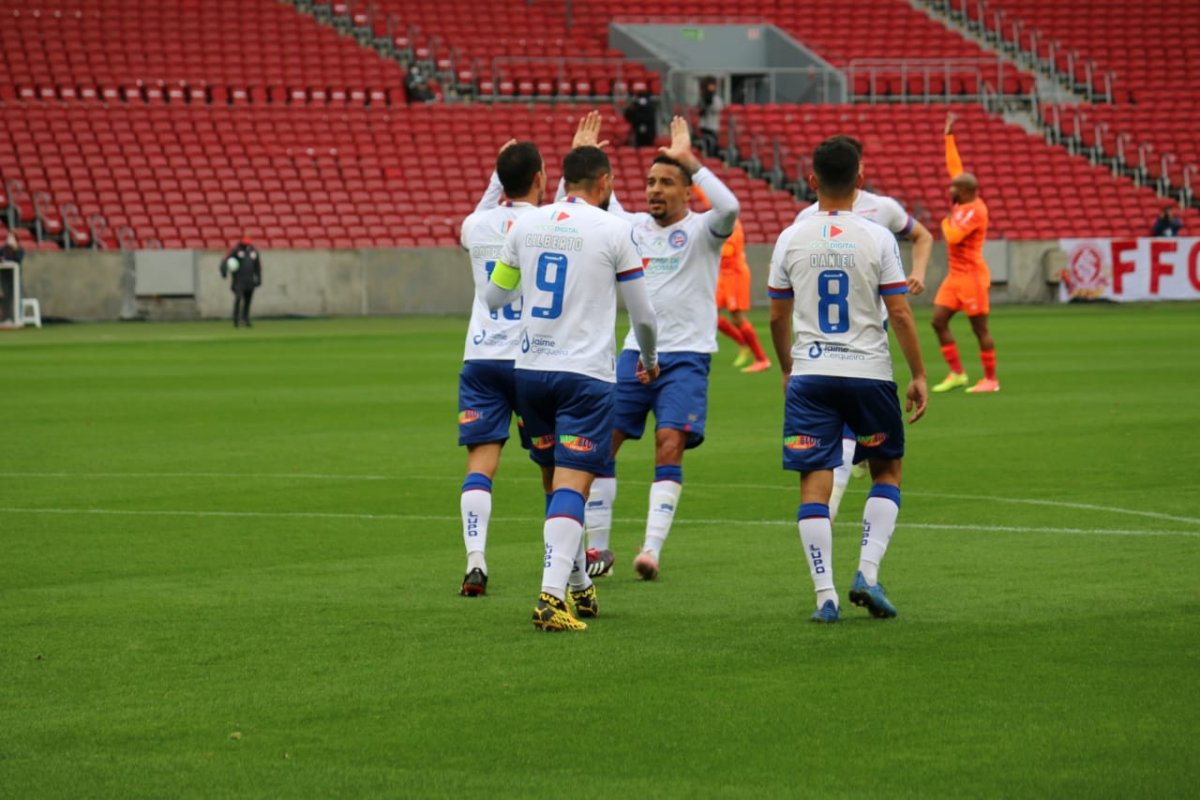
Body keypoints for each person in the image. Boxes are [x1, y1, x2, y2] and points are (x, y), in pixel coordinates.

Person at [485, 144, 660, 632]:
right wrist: (649, 360)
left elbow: (495, 295)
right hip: (585, 375)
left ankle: (579, 583)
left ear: (561, 179)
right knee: (574, 483)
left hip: (529, 371)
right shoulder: (615, 230)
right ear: (604, 184)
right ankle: (549, 596)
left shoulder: (526, 224)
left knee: (555, 482)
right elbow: (643, 314)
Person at [571, 112, 740, 581]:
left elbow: (729, 208)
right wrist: (587, 155)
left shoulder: (705, 231)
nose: (654, 190)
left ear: (687, 191)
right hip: (631, 355)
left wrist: (693, 161)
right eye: (649, 182)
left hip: (686, 357)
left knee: (669, 444)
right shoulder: (631, 227)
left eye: (666, 181)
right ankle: (597, 551)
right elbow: (594, 199)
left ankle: (651, 549)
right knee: (602, 446)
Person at [767, 135, 928, 623]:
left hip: (812, 375)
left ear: (811, 180)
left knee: (814, 484)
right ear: (860, 181)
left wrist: (788, 367)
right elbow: (898, 312)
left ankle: (825, 597)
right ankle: (868, 574)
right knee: (887, 471)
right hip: (868, 374)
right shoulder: (877, 236)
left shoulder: (791, 235)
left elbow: (777, 316)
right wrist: (918, 373)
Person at [793, 134, 935, 521]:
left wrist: (917, 272)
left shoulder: (882, 209)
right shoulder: (808, 219)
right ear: (858, 172)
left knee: (839, 426)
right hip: (835, 343)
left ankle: (831, 498)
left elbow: (922, 234)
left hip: (867, 333)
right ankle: (840, 488)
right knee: (850, 431)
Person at [455, 139, 552, 597]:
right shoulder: (547, 223)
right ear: (540, 178)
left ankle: (476, 560)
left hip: (481, 356)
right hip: (532, 358)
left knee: (481, 463)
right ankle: (565, 563)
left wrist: (498, 173)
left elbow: (479, 216)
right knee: (552, 462)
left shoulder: (475, 225)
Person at [930, 112, 999, 394]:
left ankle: (991, 380)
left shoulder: (977, 211)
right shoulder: (962, 203)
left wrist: (945, 220)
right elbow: (954, 165)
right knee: (938, 321)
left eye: (953, 187)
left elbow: (953, 234)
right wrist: (949, 136)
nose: (950, 188)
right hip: (955, 277)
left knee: (979, 329)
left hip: (972, 277)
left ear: (966, 190)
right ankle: (957, 373)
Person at [219, 235, 262, 327]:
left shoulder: (253, 251)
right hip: (238, 280)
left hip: (250, 280)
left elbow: (257, 266)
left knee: (248, 300)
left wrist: (258, 278)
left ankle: (245, 319)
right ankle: (236, 319)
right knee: (238, 298)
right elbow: (225, 261)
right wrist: (224, 272)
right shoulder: (236, 250)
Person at [0, 231, 24, 324]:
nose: (9, 240)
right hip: (5, 277)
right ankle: (7, 318)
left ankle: (19, 318)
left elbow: (18, 259)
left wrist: (14, 248)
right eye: (8, 238)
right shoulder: (3, 249)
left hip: (16, 277)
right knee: (7, 298)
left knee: (18, 296)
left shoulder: (20, 250)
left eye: (12, 238)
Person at [697, 76, 724, 158]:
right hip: (704, 127)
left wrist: (709, 102)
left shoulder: (716, 99)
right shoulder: (702, 98)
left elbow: (718, 108)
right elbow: (700, 111)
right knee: (706, 145)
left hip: (713, 127)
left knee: (713, 147)